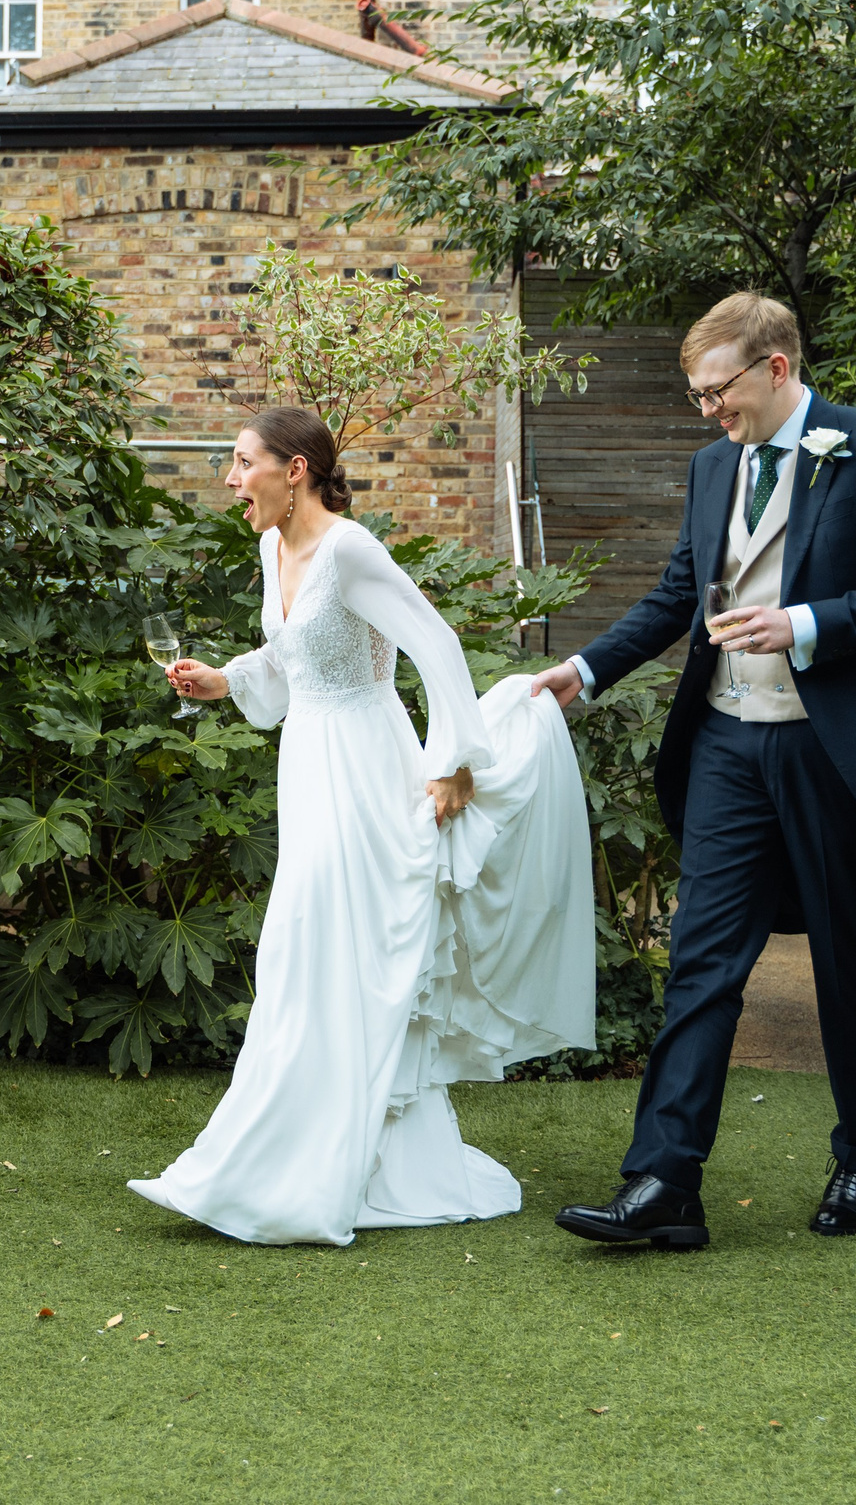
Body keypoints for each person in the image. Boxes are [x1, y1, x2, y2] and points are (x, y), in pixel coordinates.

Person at [530, 291, 856, 1249]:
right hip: (726, 739)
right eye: (697, 395)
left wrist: (805, 623)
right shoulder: (711, 466)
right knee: (702, 958)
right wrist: (585, 670)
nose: (708, 410)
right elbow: (680, 591)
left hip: (828, 746)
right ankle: (664, 1181)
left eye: (717, 390)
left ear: (776, 367)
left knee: (847, 957)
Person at [134, 408, 595, 1246]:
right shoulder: (271, 548)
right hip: (309, 767)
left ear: (295, 469)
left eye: (242, 462)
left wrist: (453, 758)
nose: (231, 480)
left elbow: (436, 642)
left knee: (335, 949)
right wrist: (225, 679)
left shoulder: (350, 550)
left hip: (366, 768)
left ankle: (326, 1165)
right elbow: (291, 662)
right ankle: (319, 1154)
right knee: (312, 953)